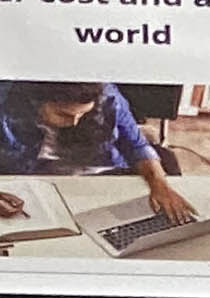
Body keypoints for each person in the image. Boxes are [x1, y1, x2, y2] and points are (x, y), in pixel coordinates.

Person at [0, 81, 196, 223]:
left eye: (83, 114)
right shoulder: (6, 101)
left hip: (103, 178)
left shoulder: (107, 95)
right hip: (34, 183)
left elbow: (136, 146)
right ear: (37, 101)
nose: (75, 122)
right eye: (63, 114)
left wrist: (159, 183)